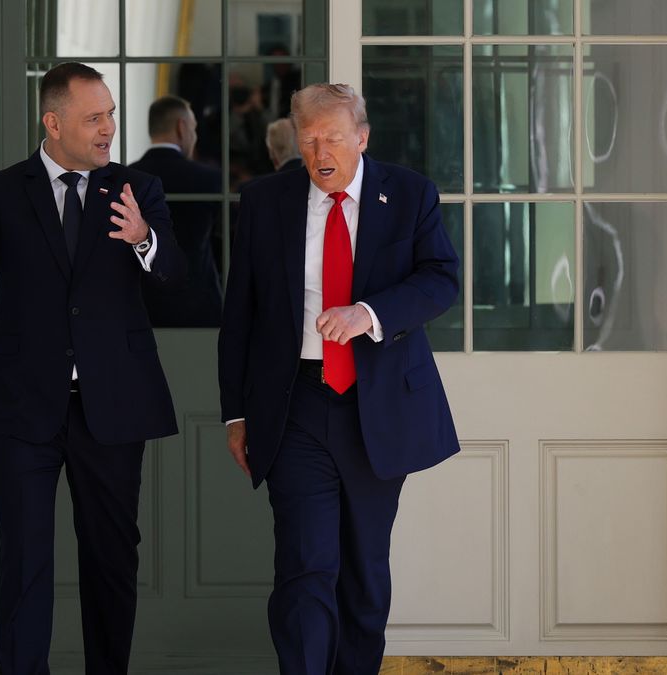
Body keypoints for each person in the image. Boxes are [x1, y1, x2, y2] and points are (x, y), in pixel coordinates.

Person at [0, 62, 184, 675]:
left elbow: (176, 277)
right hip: (23, 407)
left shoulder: (137, 189)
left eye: (112, 114)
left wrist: (145, 239)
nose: (108, 129)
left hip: (113, 406)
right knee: (25, 560)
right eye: (94, 118)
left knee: (111, 559)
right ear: (53, 122)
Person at [218, 83, 461, 675]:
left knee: (363, 574)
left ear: (362, 138)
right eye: (308, 138)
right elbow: (240, 315)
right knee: (305, 566)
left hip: (376, 407)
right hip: (296, 405)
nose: (320, 150)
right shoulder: (265, 200)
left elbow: (440, 279)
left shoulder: (407, 195)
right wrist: (236, 412)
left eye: (332, 137)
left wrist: (369, 314)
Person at [131, 95, 223, 327]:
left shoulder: (127, 179)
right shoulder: (209, 179)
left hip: (141, 306)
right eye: (194, 128)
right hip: (197, 306)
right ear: (181, 128)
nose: (196, 136)